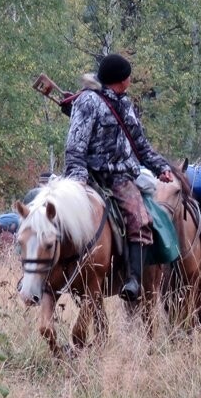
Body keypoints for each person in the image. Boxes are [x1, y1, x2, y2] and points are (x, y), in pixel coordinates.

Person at [64, 53, 173, 302]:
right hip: (87, 174)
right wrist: (78, 178)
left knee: (139, 217)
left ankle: (133, 279)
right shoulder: (88, 101)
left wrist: (160, 167)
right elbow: (75, 146)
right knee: (51, 210)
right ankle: (41, 274)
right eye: (128, 76)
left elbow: (141, 145)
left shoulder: (125, 104)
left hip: (120, 177)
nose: (130, 80)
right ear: (120, 80)